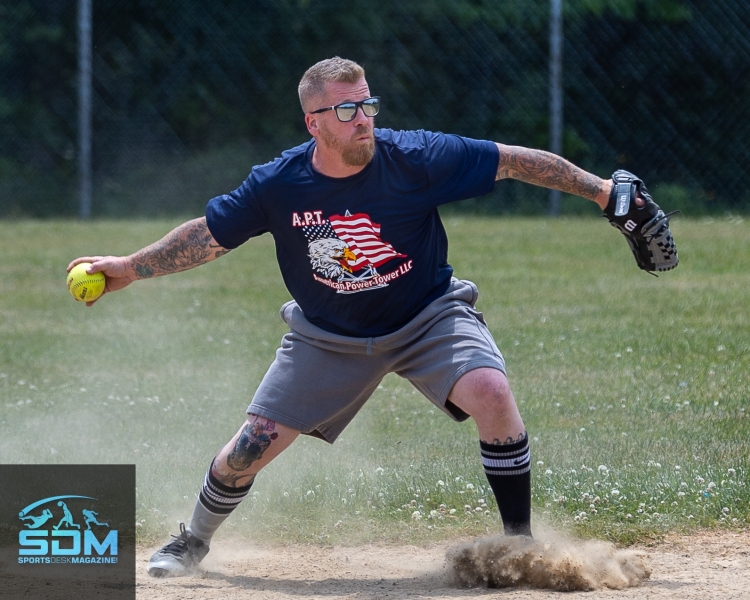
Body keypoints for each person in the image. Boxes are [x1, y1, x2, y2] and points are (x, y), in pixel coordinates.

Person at [68, 56, 622, 578]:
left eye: (368, 105)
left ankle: (519, 544)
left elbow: (513, 161)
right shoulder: (279, 182)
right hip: (328, 336)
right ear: (314, 122)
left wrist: (602, 193)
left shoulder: (414, 156)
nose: (365, 120)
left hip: (426, 314)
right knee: (251, 444)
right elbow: (208, 236)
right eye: (348, 110)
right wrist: (128, 268)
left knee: (491, 391)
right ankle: (193, 538)